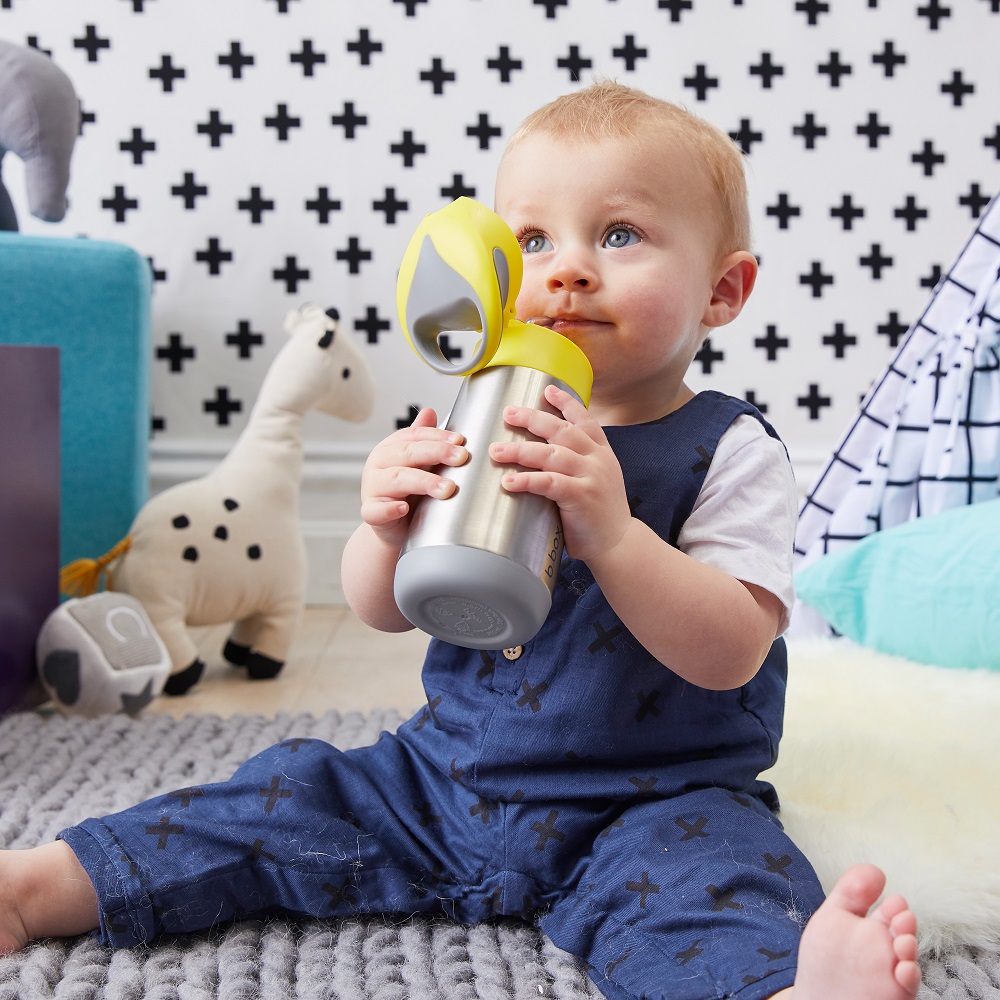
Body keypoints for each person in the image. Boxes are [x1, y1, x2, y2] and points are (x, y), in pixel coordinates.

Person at [0, 82, 919, 1000]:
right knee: (279, 798)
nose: (567, 270)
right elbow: (382, 610)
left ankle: (793, 990)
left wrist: (615, 531)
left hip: (656, 804)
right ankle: (40, 886)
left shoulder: (731, 448)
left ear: (723, 289)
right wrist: (382, 527)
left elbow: (730, 651)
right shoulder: (482, 411)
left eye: (621, 235)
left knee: (718, 889)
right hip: (444, 778)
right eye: (531, 241)